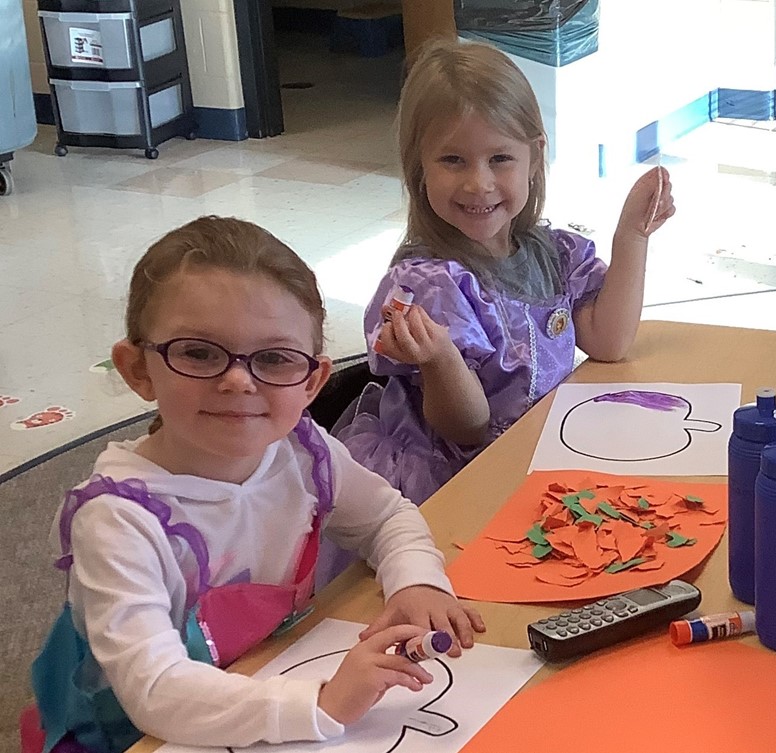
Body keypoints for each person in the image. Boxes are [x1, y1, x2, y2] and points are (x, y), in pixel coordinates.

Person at [25, 217, 485, 753]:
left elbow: (388, 516)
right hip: (138, 731)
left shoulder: (302, 453)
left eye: (273, 358)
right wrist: (319, 703)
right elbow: (153, 689)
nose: (239, 379)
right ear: (137, 369)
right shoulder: (118, 518)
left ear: (312, 381)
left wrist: (416, 582)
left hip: (268, 670)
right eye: (198, 352)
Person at [336, 39, 676, 504]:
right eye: (452, 159)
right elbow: (467, 427)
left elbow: (607, 342)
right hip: (453, 480)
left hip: (534, 454)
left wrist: (631, 238)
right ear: (420, 167)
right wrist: (439, 358)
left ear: (535, 158)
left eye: (500, 158)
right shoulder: (429, 284)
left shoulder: (551, 252)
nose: (479, 183)